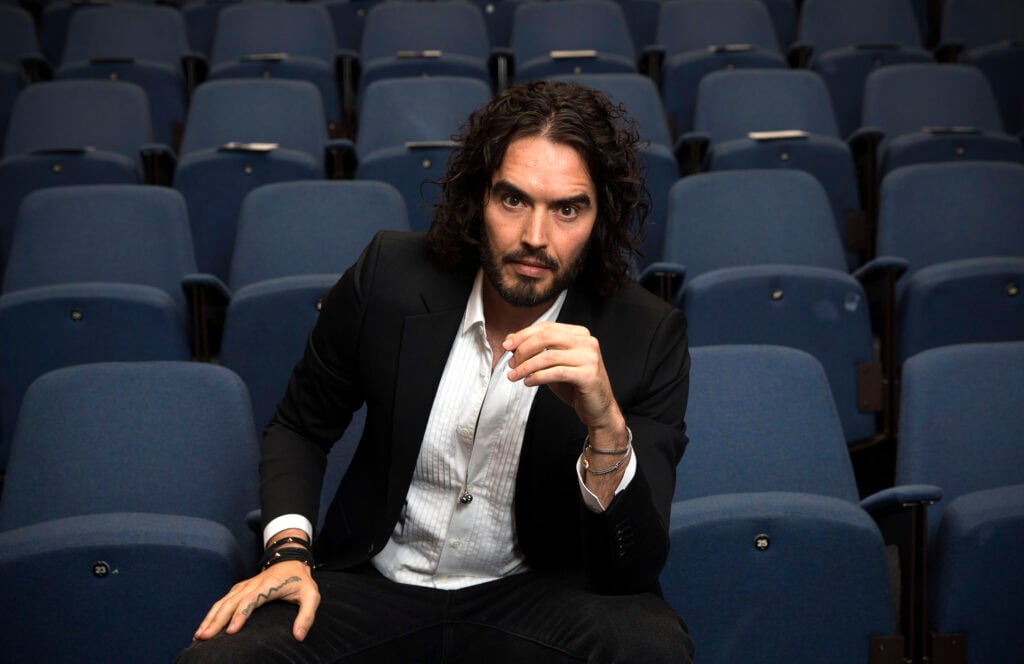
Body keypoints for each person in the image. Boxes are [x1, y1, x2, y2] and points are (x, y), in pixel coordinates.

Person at [179, 80, 693, 663]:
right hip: (374, 585)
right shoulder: (389, 276)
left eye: (568, 209)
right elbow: (300, 427)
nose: (535, 237)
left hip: (533, 595)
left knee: (651, 647)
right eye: (513, 199)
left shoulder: (647, 335)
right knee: (220, 660)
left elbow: (630, 570)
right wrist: (288, 554)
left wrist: (606, 429)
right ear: (479, 198)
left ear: (601, 218)